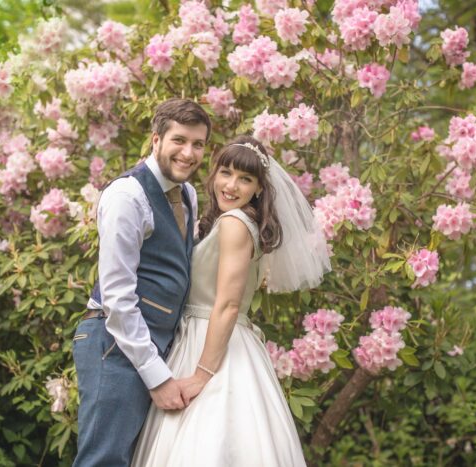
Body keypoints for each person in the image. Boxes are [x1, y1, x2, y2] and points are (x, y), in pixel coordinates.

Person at [132, 135, 331, 466]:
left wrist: (201, 375)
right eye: (226, 173)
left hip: (212, 346)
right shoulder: (226, 222)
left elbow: (227, 305)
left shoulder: (236, 224)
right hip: (199, 337)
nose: (232, 185)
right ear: (214, 175)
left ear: (259, 189)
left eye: (245, 179)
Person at [72, 98, 211, 467]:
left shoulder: (189, 195)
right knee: (103, 460)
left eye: (198, 144)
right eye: (179, 140)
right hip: (113, 344)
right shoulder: (126, 196)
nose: (189, 152)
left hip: (155, 346)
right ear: (156, 140)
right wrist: (158, 378)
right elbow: (117, 297)